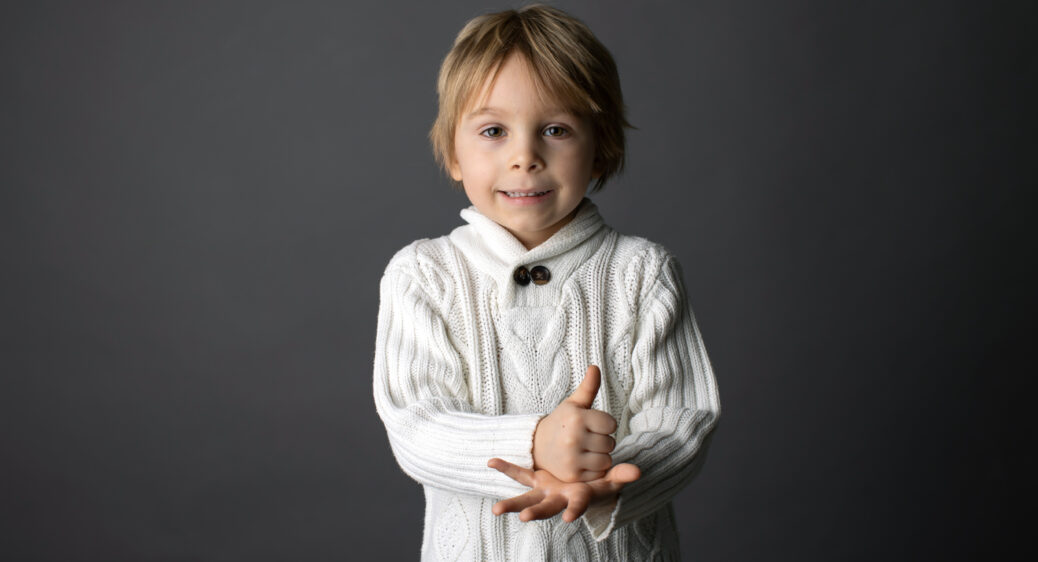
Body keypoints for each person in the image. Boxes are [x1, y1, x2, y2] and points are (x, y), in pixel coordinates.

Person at [372, 5, 720, 560]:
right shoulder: (424, 275)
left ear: (601, 148)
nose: (524, 157)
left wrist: (611, 482)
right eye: (492, 131)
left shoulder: (641, 272)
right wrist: (533, 443)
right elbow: (417, 424)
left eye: (555, 130)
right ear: (452, 152)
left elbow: (680, 420)